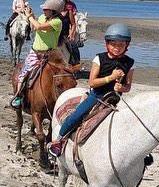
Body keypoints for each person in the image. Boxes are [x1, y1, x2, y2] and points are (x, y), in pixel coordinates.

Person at [48, 23, 135, 157]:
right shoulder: (99, 59)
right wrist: (111, 78)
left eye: (121, 45)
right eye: (114, 44)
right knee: (76, 116)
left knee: (132, 120)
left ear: (126, 45)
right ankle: (58, 141)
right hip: (98, 95)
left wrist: (122, 88)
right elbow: (92, 82)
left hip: (116, 98)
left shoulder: (130, 63)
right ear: (107, 44)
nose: (117, 48)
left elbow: (128, 86)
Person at [10, 0, 66, 108]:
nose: (43, 11)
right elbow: (35, 27)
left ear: (53, 11)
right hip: (35, 53)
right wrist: (31, 17)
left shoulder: (57, 22)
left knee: (64, 74)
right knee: (23, 74)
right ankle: (18, 96)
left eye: (46, 9)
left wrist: (30, 16)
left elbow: (39, 27)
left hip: (50, 55)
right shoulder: (41, 17)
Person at [57, 0, 80, 65]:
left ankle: (76, 62)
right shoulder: (55, 11)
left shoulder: (69, 11)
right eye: (60, 1)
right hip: (55, 35)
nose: (62, 2)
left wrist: (71, 34)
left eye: (63, 1)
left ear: (65, 2)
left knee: (73, 46)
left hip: (64, 34)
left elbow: (73, 24)